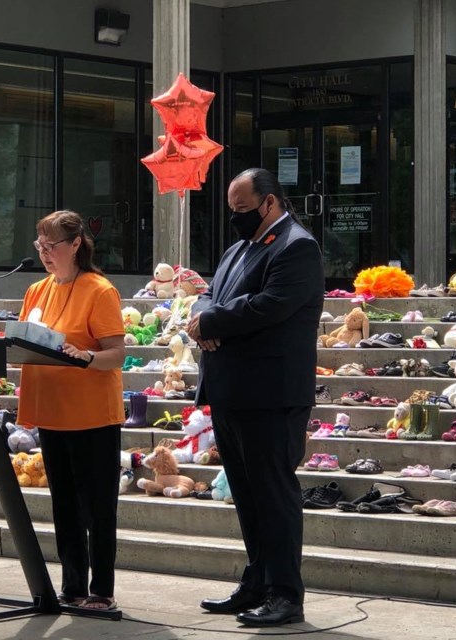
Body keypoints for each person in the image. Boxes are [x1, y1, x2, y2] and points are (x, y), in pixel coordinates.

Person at [186, 168, 324, 627]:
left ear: (269, 202)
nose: (236, 218)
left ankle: (286, 594)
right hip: (231, 391)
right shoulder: (239, 248)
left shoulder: (297, 246)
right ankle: (257, 582)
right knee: (246, 495)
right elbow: (208, 296)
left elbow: (270, 306)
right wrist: (204, 318)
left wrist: (213, 323)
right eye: (232, 210)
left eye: (242, 209)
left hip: (271, 394)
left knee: (273, 495)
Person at [16, 210, 126, 611]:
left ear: (76, 244)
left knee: (97, 507)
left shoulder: (99, 290)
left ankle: (101, 591)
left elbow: (116, 354)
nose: (44, 253)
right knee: (64, 504)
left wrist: (85, 356)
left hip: (92, 413)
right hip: (51, 410)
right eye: (39, 246)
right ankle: (73, 586)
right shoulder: (37, 290)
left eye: (51, 246)